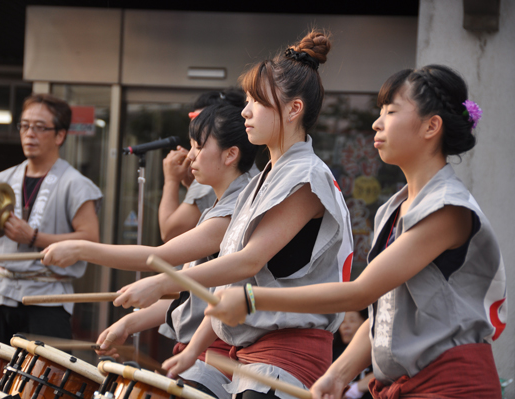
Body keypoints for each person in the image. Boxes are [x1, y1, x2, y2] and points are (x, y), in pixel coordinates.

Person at [205, 65, 506, 398]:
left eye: (391, 111)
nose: (377, 122)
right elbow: (385, 313)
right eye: (379, 111)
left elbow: (360, 293)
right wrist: (338, 374)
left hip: (454, 387)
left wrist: (252, 298)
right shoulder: (396, 207)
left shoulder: (447, 210)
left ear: (431, 126)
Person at [114, 29, 353, 399]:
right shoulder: (266, 178)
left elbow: (247, 262)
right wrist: (195, 348)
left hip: (286, 357)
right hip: (249, 355)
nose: (245, 111)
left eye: (256, 101)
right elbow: (234, 283)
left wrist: (162, 282)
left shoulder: (306, 176)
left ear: (294, 109)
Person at [43, 102, 257, 399]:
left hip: (216, 354)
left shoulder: (234, 210)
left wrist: (82, 249)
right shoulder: (222, 205)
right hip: (202, 351)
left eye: (198, 146)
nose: (190, 155)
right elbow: (185, 294)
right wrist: (128, 323)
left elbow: (160, 257)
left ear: (231, 154)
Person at [0, 93, 103, 345]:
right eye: (25, 125)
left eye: (40, 127)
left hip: (47, 294)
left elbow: (89, 239)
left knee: (44, 380)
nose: (30, 133)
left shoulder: (76, 184)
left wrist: (33, 238)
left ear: (60, 135)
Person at [159, 88, 250, 242]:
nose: (190, 155)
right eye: (192, 145)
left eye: (199, 145)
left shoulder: (225, 208)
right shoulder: (246, 176)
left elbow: (169, 232)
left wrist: (171, 180)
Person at [332, 310, 373, 399]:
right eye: (342, 322)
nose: (345, 326)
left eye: (352, 321)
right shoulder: (334, 354)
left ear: (365, 323)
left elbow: (385, 375)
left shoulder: (374, 352)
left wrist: (357, 388)